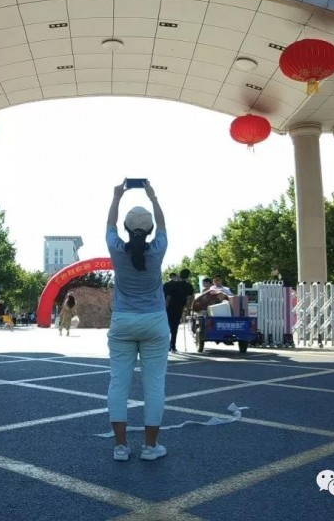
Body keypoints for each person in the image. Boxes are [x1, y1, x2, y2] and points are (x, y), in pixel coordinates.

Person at [106, 179, 169, 462]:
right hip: (155, 321)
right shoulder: (158, 250)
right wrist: (153, 197)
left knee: (118, 383)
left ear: (126, 229)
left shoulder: (117, 249)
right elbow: (163, 226)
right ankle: (150, 447)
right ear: (151, 230)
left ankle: (120, 447)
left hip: (122, 321)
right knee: (154, 385)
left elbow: (109, 226)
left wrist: (117, 197)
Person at [163, 269, 195, 352]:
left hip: (167, 308)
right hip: (179, 308)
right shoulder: (187, 285)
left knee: (167, 326)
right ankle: (172, 345)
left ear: (178, 275)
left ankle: (167, 345)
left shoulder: (168, 284)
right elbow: (191, 296)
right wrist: (188, 308)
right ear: (188, 276)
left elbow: (164, 296)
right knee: (174, 327)